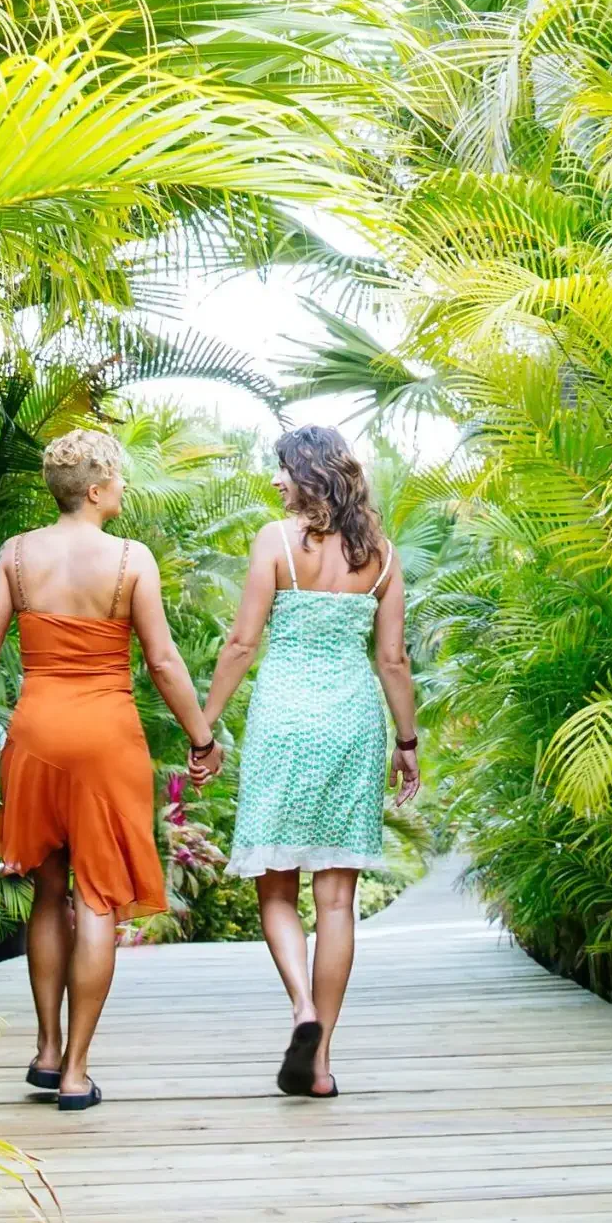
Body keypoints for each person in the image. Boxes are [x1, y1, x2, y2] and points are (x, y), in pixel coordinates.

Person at [0, 428, 220, 1112]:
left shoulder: (15, 555)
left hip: (36, 733)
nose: (124, 487)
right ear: (96, 489)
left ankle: (43, 1047)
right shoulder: (131, 561)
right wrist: (201, 735)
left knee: (47, 890)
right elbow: (161, 661)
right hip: (106, 738)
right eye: (119, 477)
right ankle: (76, 1069)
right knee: (98, 898)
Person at [203, 424, 419, 1100]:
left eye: (282, 470)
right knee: (337, 899)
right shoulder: (380, 553)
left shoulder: (275, 541)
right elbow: (392, 659)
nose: (274, 482)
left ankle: (301, 1006)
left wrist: (204, 724)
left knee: (275, 885)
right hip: (352, 720)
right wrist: (407, 743)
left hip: (286, 720)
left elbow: (241, 643)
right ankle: (320, 1058)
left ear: (308, 475)